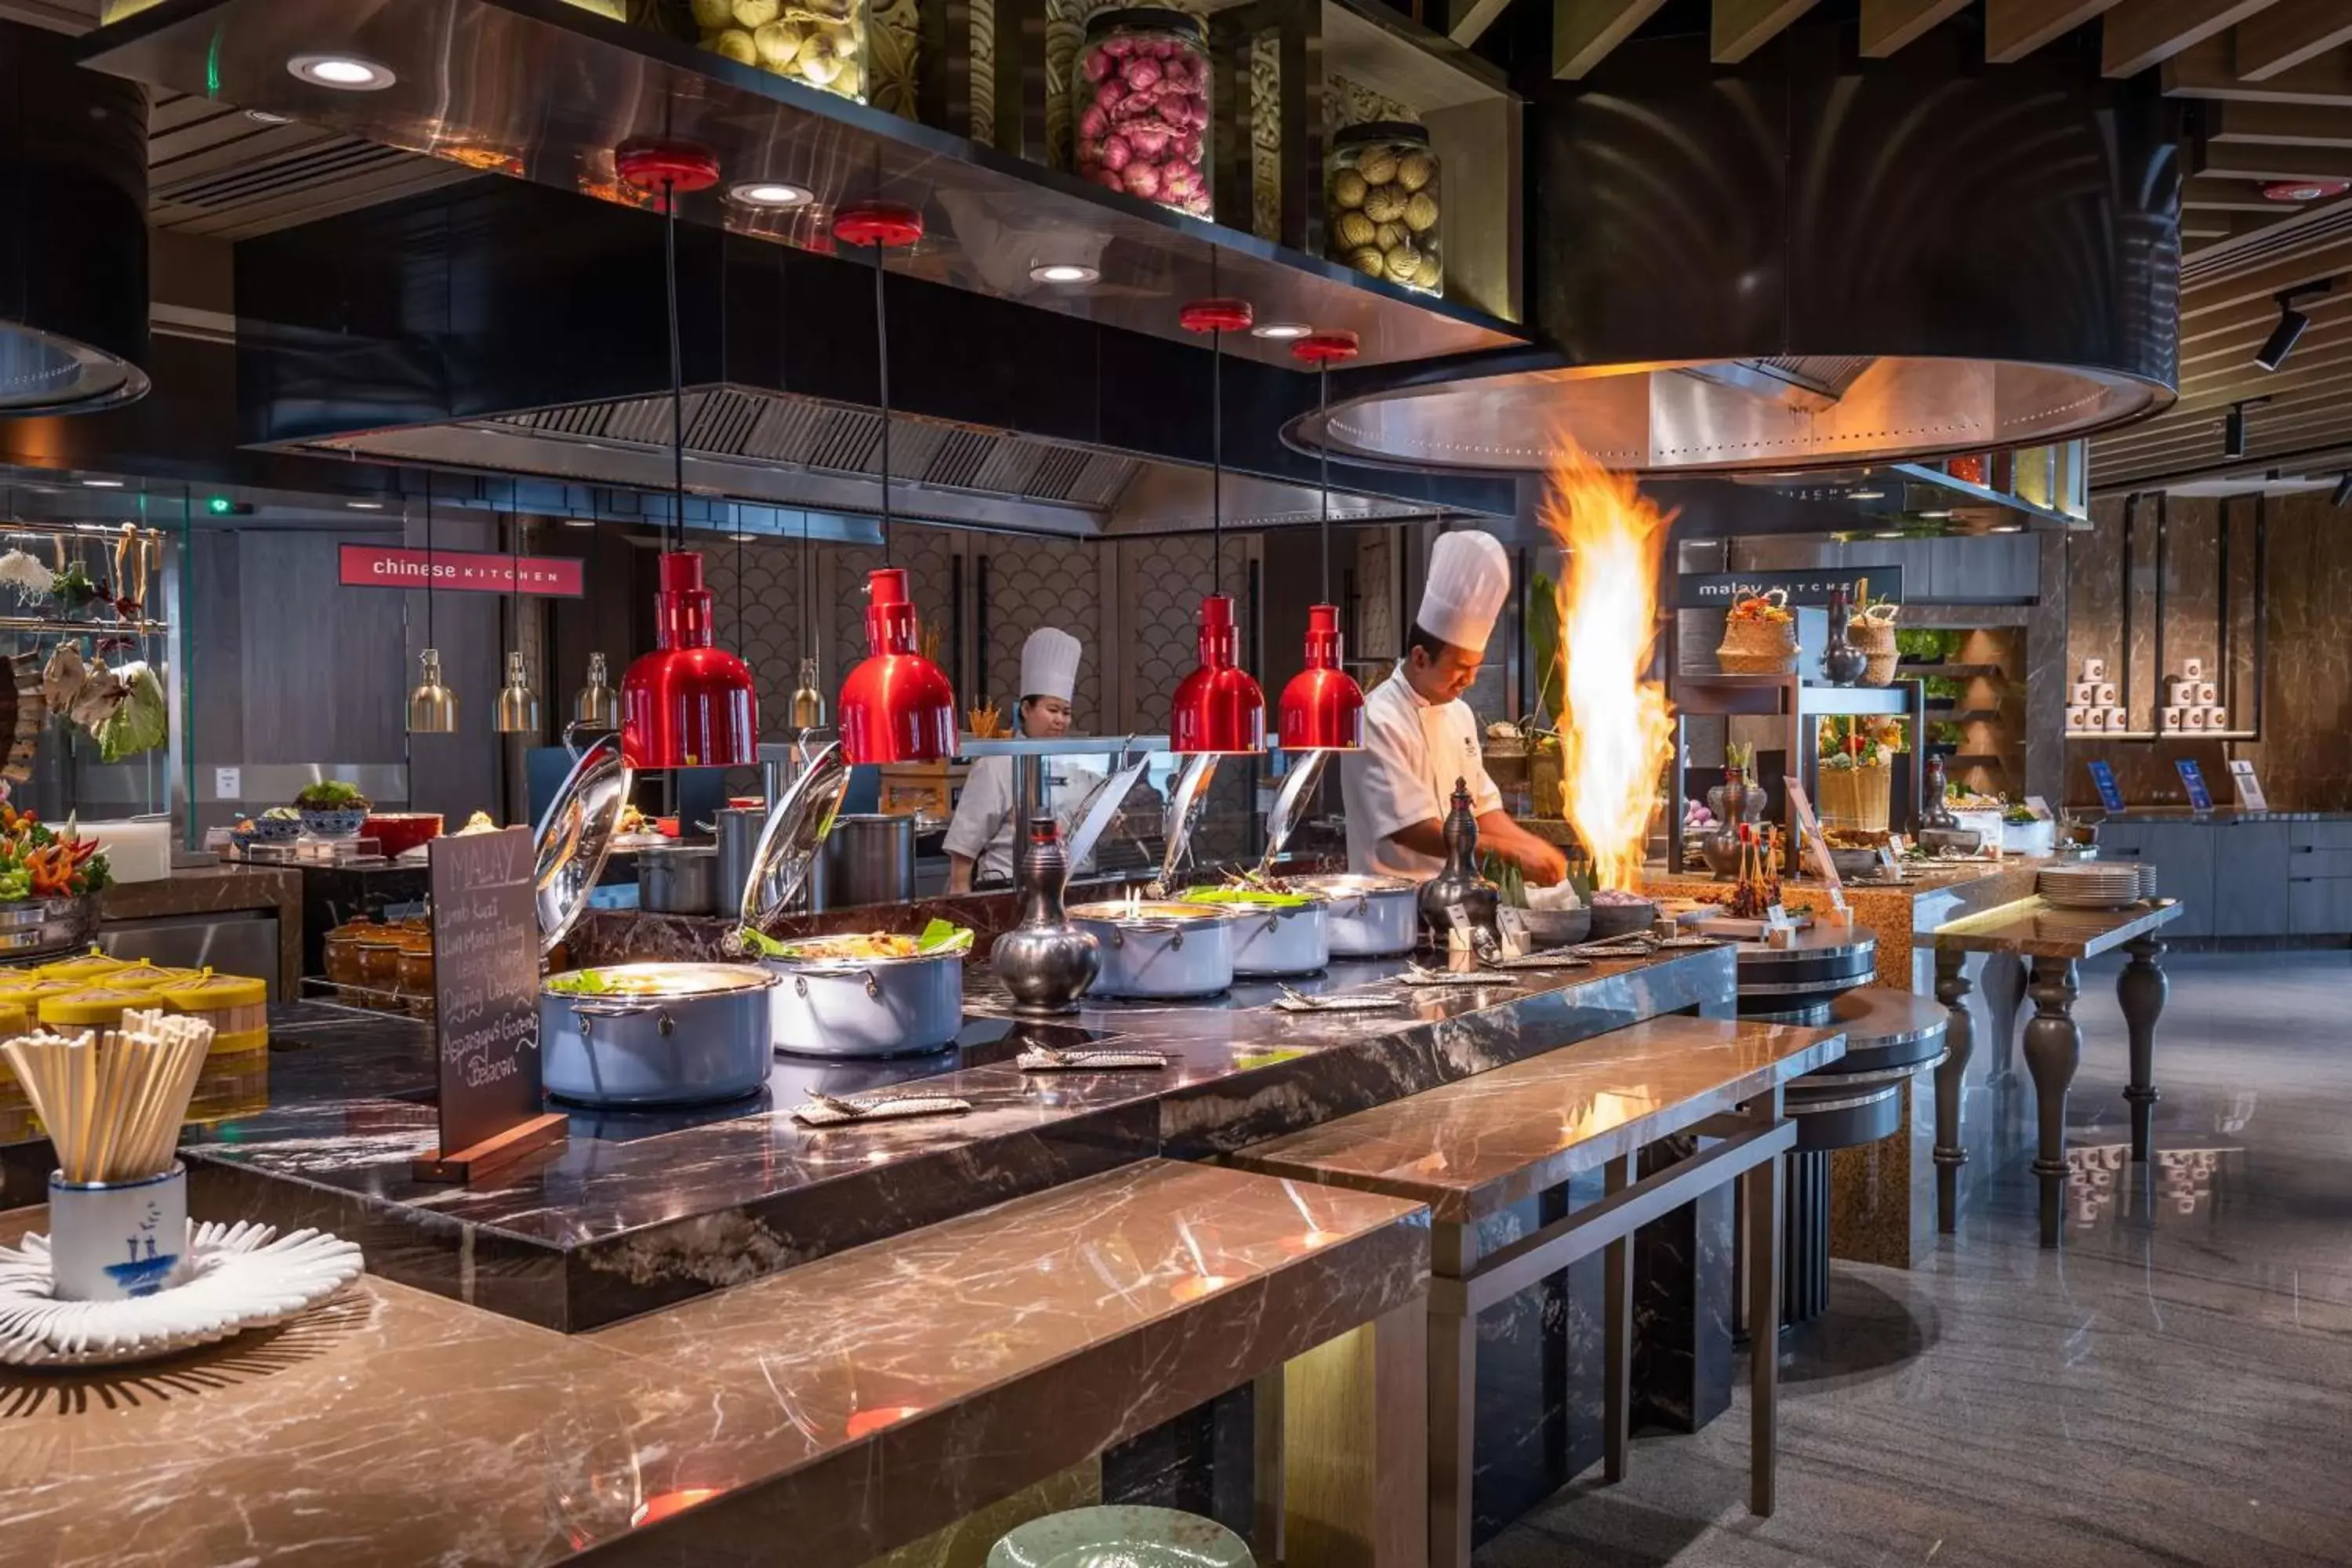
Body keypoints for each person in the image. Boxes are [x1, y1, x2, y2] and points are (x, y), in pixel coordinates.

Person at [1340, 529, 1570, 885]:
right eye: (1461, 668)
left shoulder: (1459, 715)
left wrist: (1535, 846)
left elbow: (1485, 808)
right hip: (1391, 905)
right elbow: (1413, 829)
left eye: (1475, 668)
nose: (1471, 680)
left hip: (1458, 900)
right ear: (1420, 658)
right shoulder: (1376, 717)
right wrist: (1509, 853)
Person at [944, 626, 1103, 891]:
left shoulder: (1076, 765)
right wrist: (963, 906)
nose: (1060, 720)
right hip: (1005, 890)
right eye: (1052, 710)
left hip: (1071, 889)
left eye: (1066, 712)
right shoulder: (995, 764)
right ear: (1026, 709)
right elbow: (963, 853)